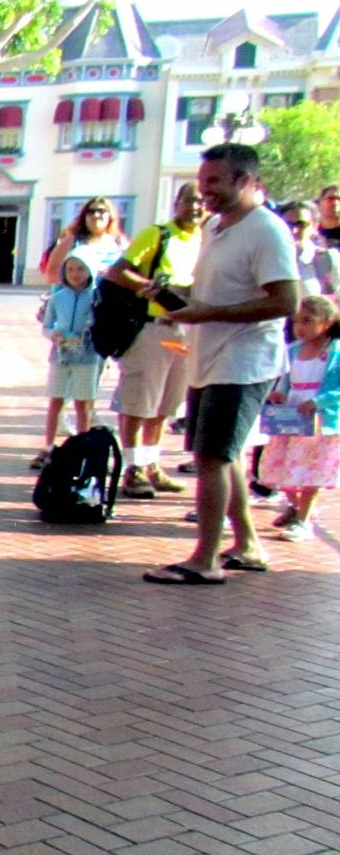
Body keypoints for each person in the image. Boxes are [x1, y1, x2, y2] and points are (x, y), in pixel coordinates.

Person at [144, 143, 299, 586]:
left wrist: (207, 313)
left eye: (214, 181)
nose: (203, 190)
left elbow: (285, 301)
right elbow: (213, 290)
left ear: (245, 181)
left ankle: (205, 558)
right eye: (202, 179)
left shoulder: (267, 230)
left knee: (212, 456)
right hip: (209, 356)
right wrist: (177, 295)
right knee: (223, 455)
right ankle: (246, 544)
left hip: (243, 359)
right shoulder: (216, 227)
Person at [103, 182, 203, 499]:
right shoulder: (158, 234)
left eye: (201, 202)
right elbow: (117, 271)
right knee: (139, 401)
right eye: (190, 201)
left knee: (165, 404)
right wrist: (151, 288)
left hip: (186, 329)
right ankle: (131, 468)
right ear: (177, 203)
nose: (196, 207)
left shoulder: (207, 239)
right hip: (152, 327)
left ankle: (152, 464)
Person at [264, 293, 340, 541]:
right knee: (284, 469)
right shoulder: (292, 350)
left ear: (326, 322)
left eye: (308, 320)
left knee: (310, 473)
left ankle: (304, 519)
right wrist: (279, 394)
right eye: (297, 321)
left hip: (318, 423)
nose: (300, 327)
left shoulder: (334, 352)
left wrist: (318, 402)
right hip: (291, 418)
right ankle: (294, 506)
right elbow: (285, 380)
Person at [33, 251, 102, 468]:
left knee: (83, 402)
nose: (75, 274)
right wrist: (53, 335)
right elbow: (46, 326)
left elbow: (102, 323)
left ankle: (83, 444)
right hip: (61, 355)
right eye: (70, 269)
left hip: (87, 354)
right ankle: (49, 445)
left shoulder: (97, 296)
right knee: (56, 400)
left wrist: (90, 332)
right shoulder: (58, 296)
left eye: (81, 269)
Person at [43, 196, 126, 284]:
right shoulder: (72, 241)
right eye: (91, 212)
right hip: (80, 296)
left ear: (110, 216)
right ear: (84, 217)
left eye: (101, 211)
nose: (96, 215)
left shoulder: (120, 243)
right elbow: (52, 273)